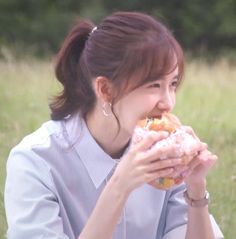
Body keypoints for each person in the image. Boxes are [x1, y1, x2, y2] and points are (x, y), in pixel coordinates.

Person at [4, 11, 224, 239]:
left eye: (173, 84)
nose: (168, 102)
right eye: (154, 85)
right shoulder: (34, 162)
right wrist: (119, 186)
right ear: (105, 90)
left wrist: (196, 190)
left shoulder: (165, 159)